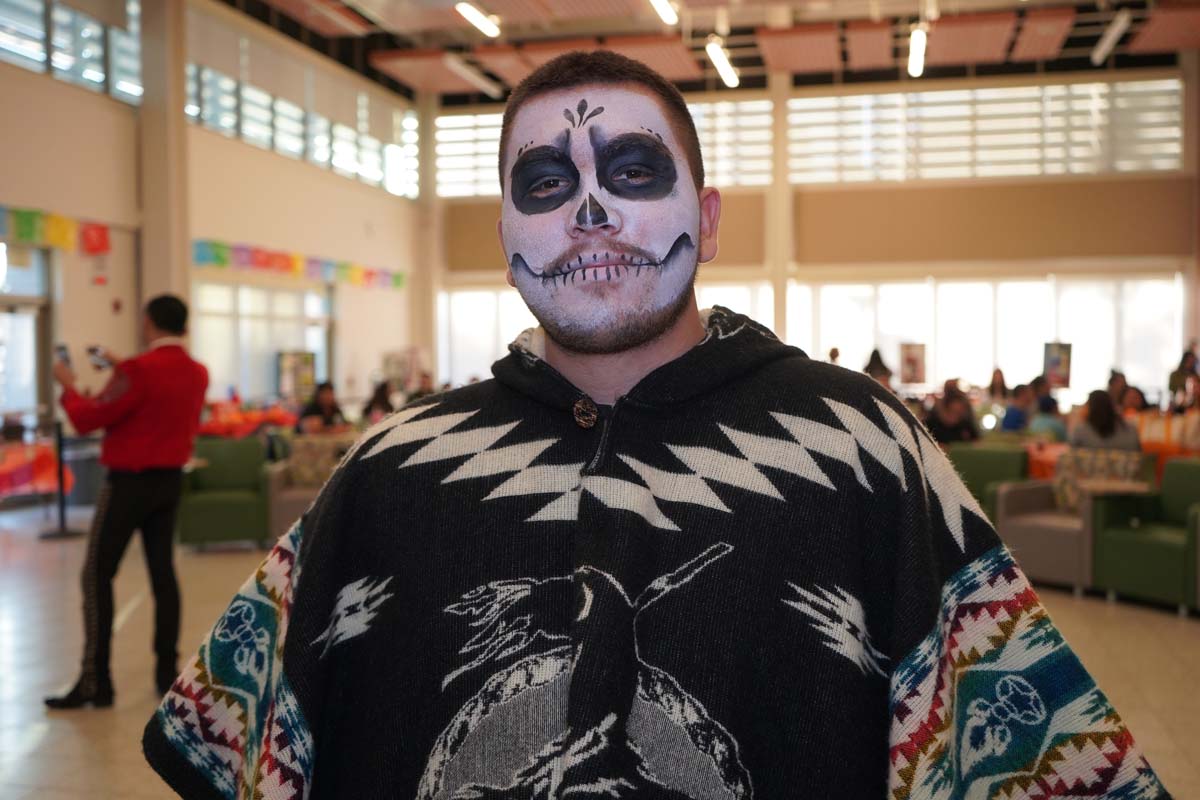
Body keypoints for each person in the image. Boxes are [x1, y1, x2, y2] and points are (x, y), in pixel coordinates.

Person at [143, 52, 1166, 798]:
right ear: (505, 234)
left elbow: (1036, 758)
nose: (588, 210)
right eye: (545, 183)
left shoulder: (867, 450)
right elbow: (237, 740)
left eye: (633, 172)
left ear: (708, 218)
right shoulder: (388, 471)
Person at [45, 295, 208, 709]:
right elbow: (148, 392)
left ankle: (94, 681)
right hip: (169, 483)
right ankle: (165, 671)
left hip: (127, 486)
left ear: (148, 322)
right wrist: (121, 367)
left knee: (96, 575)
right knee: (162, 574)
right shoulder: (196, 372)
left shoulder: (137, 371)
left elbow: (88, 417)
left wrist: (67, 385)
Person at [1070, 389, 1141, 452]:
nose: (1083, 408)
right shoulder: (1129, 429)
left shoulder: (1082, 430)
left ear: (1091, 407)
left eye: (1086, 404)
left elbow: (1072, 453)